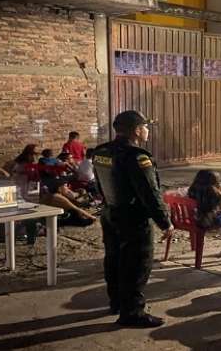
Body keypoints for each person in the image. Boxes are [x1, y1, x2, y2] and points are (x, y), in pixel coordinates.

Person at [92, 110, 174, 327]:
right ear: (137, 131)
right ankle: (132, 313)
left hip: (110, 214)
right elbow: (150, 193)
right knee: (137, 264)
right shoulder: (137, 156)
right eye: (145, 127)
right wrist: (165, 222)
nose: (147, 131)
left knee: (114, 260)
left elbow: (98, 185)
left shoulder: (102, 151)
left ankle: (117, 302)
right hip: (133, 219)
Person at [187, 170, 221, 256]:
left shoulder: (192, 190)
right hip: (208, 221)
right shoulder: (214, 192)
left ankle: (196, 245)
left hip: (193, 220)